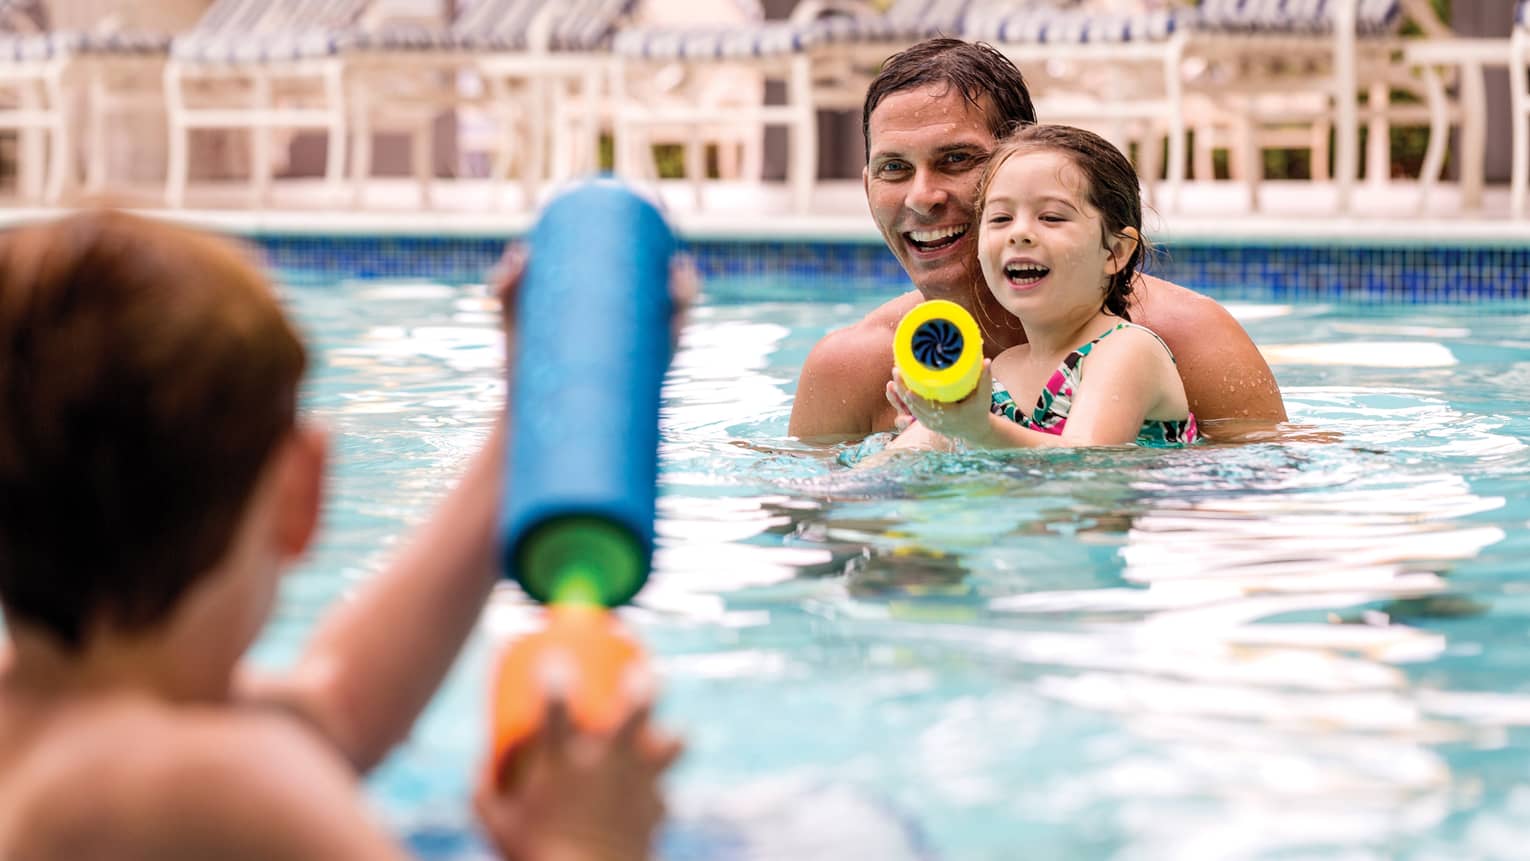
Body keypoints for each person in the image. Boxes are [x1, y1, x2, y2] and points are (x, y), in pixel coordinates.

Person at [0, 210, 683, 860]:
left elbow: (340, 710)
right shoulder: (202, 786)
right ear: (302, 489)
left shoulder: (52, 717)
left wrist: (524, 420)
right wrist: (585, 842)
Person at [789, 38, 1286, 443]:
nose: (922, 198)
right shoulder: (854, 367)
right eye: (894, 168)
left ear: (1023, 160)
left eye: (957, 159)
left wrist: (978, 433)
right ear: (867, 186)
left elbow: (1270, 495)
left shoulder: (1181, 336)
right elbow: (816, 510)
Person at [888, 124, 1198, 452]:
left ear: (1115, 252)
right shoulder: (1003, 368)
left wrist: (978, 430)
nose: (1019, 233)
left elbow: (1089, 460)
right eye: (1000, 219)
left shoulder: (1127, 350)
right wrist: (936, 425)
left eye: (1051, 217)